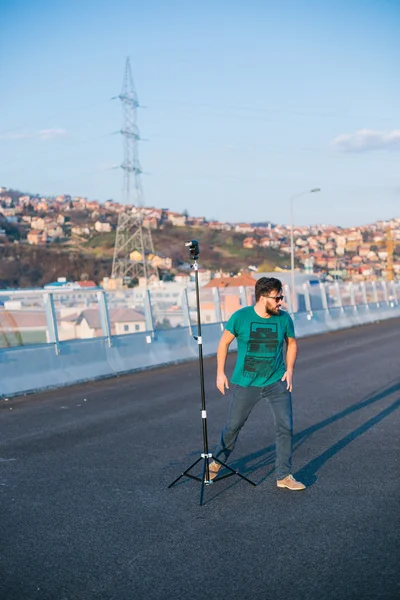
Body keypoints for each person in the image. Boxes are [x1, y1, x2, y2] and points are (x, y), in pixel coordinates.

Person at [209, 277, 305, 491]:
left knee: (285, 427)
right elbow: (224, 343)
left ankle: (284, 475)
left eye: (281, 297)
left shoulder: (284, 319)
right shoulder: (240, 317)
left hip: (276, 381)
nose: (281, 302)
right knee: (233, 426)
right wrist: (220, 373)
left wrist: (289, 370)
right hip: (246, 382)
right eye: (277, 298)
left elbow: (292, 343)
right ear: (263, 298)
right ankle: (216, 463)